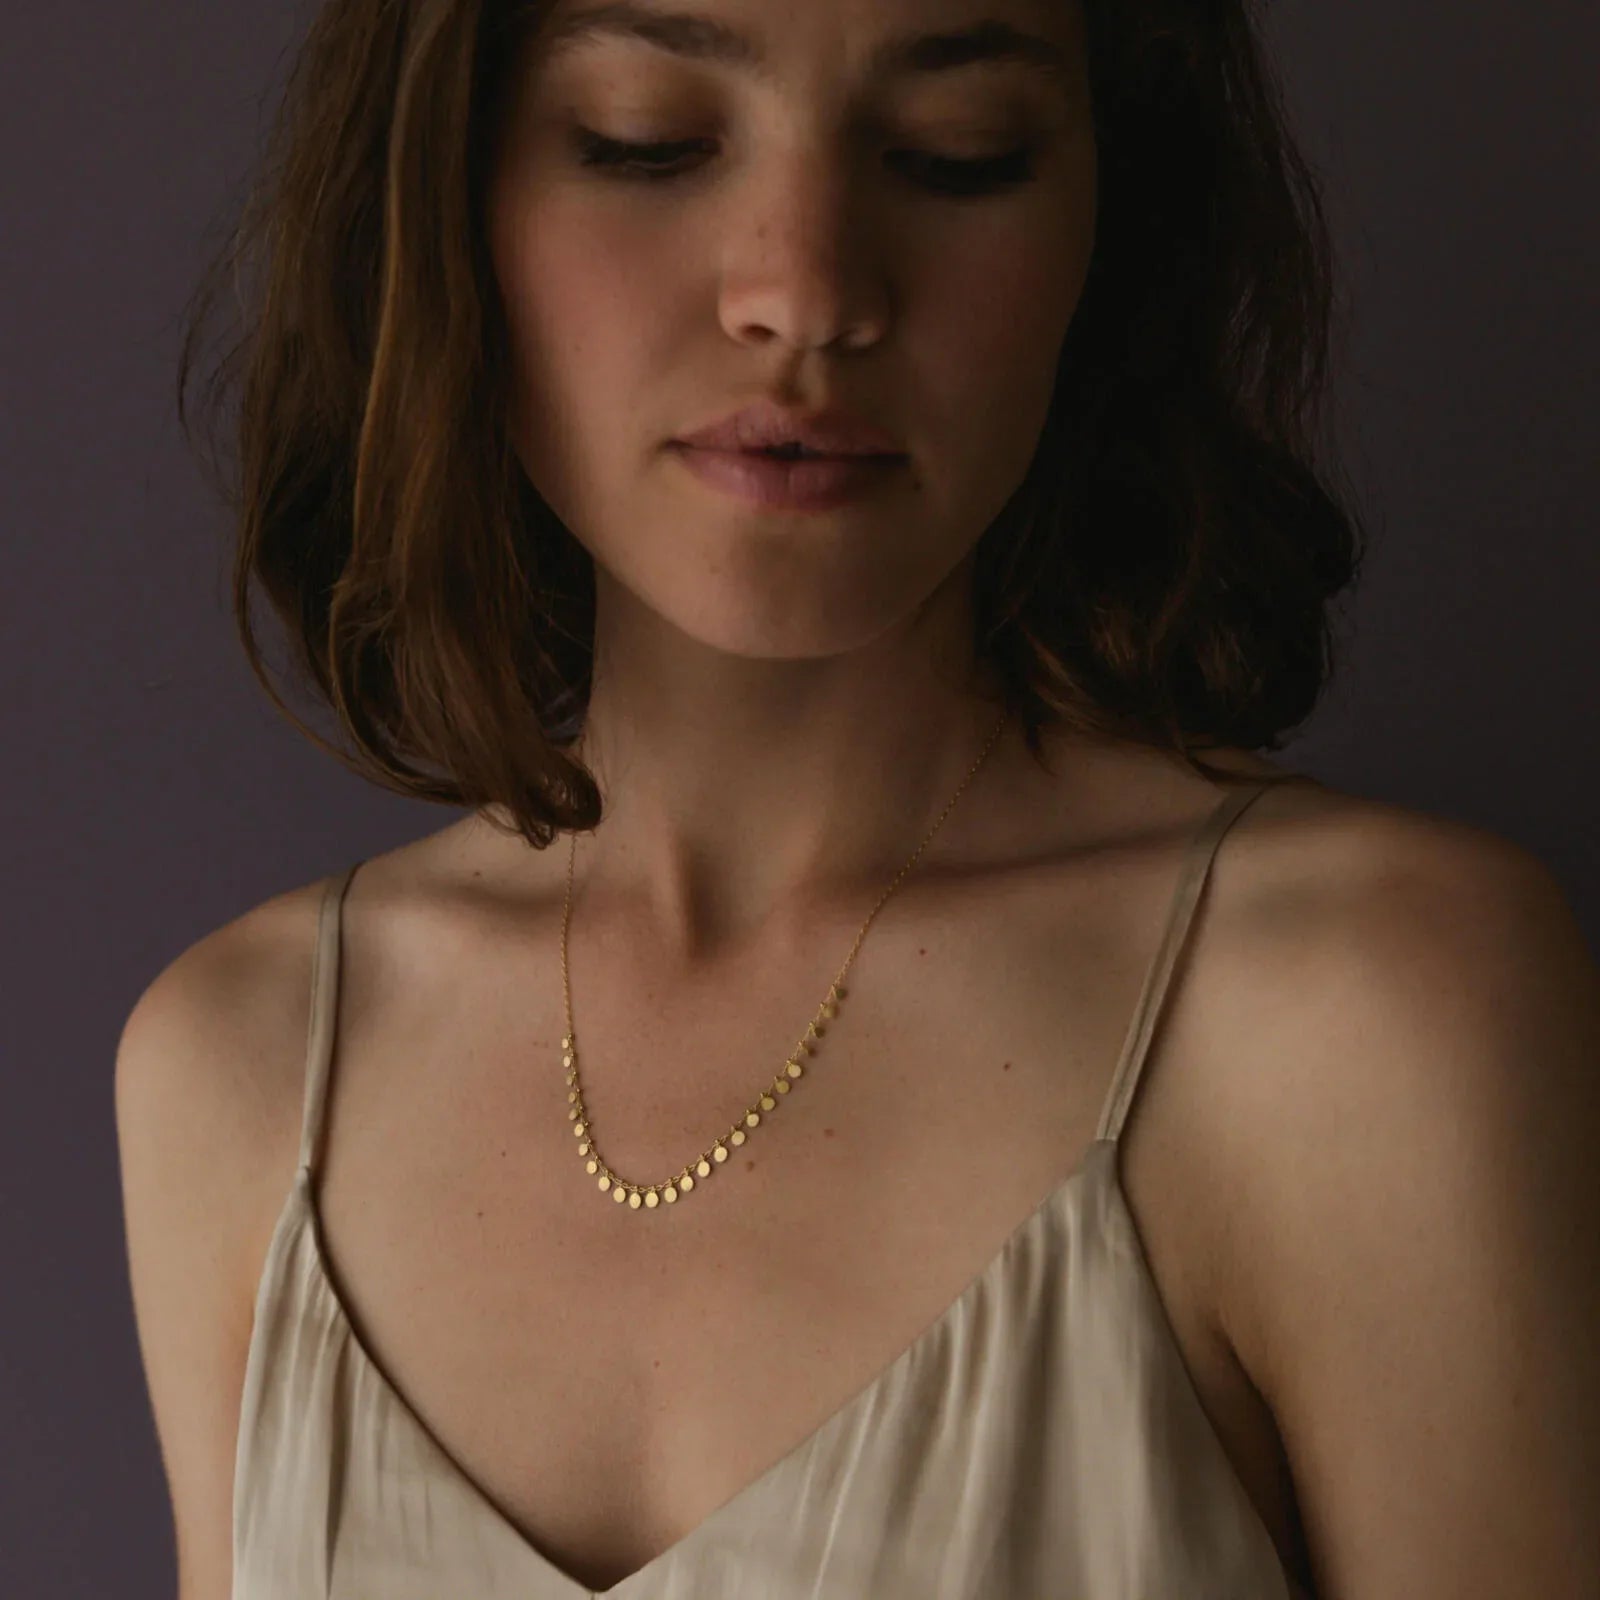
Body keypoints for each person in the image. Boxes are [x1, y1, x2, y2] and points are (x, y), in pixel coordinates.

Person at [116, 1, 1599, 1596]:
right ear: (446, 193)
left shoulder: (1361, 1012)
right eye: (649, 142)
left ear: (1110, 219)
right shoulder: (248, 1074)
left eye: (957, 159)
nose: (806, 294)